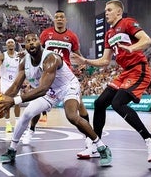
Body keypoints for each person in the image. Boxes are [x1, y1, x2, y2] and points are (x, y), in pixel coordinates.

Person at [0, 33, 112, 166]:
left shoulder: (51, 58)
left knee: (72, 116)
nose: (31, 43)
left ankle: (101, 147)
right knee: (27, 113)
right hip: (51, 92)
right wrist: (2, 99)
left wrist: (14, 101)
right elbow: (16, 86)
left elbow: (43, 88)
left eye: (34, 40)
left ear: (40, 43)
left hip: (67, 86)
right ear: (24, 46)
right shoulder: (23, 62)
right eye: (28, 41)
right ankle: (12, 150)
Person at [72, 0, 151, 163]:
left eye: (109, 10)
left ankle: (150, 140)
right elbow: (105, 61)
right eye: (106, 10)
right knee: (100, 103)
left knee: (118, 103)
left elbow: (147, 40)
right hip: (124, 73)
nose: (106, 12)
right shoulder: (109, 34)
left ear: (119, 12)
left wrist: (132, 48)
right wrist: (85, 61)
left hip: (138, 69)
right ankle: (95, 145)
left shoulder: (128, 23)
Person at [23, 10, 98, 159]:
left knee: (80, 105)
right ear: (54, 20)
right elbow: (36, 50)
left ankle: (89, 140)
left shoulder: (72, 37)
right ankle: (31, 130)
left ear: (65, 20)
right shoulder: (45, 34)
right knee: (39, 102)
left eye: (61, 17)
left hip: (65, 74)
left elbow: (77, 54)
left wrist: (82, 62)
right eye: (56, 17)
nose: (59, 19)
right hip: (47, 73)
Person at [0, 38, 20, 133]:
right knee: (6, 104)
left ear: (14, 44)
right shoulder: (3, 55)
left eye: (12, 42)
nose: (10, 44)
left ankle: (17, 122)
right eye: (8, 42)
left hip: (15, 81)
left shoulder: (19, 55)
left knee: (17, 102)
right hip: (5, 81)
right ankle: (8, 124)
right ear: (6, 45)